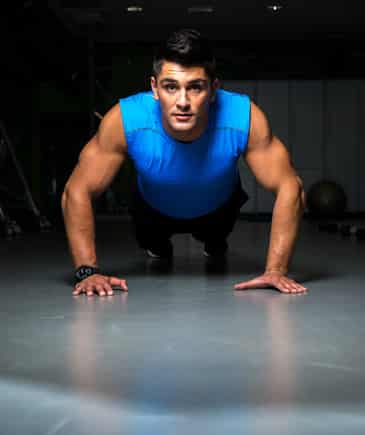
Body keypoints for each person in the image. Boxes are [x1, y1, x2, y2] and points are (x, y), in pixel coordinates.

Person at [62, 28, 307, 297]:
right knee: (157, 250)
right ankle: (159, 245)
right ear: (154, 88)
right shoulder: (125, 119)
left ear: (213, 89)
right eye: (171, 87)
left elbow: (290, 186)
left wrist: (276, 270)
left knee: (215, 244)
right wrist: (87, 271)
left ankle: (214, 241)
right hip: (152, 210)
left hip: (218, 209)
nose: (183, 102)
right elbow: (76, 190)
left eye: (195, 87)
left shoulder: (243, 116)